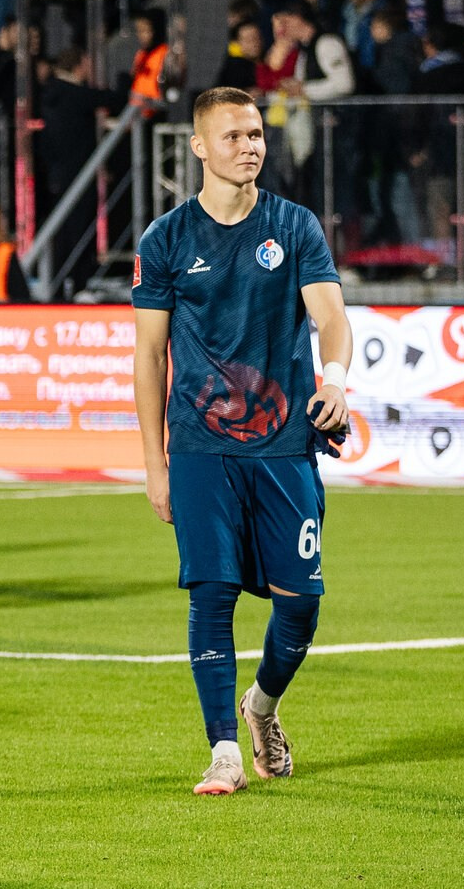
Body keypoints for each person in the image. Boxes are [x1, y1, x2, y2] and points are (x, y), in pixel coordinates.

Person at [133, 88, 351, 797]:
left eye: (256, 133)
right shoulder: (164, 240)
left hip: (285, 444)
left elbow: (331, 317)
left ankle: (261, 707)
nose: (249, 146)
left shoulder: (293, 226)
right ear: (199, 147)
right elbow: (149, 357)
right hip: (201, 445)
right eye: (232, 136)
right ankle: (223, 749)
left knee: (300, 602)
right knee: (212, 591)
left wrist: (338, 379)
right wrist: (154, 464)